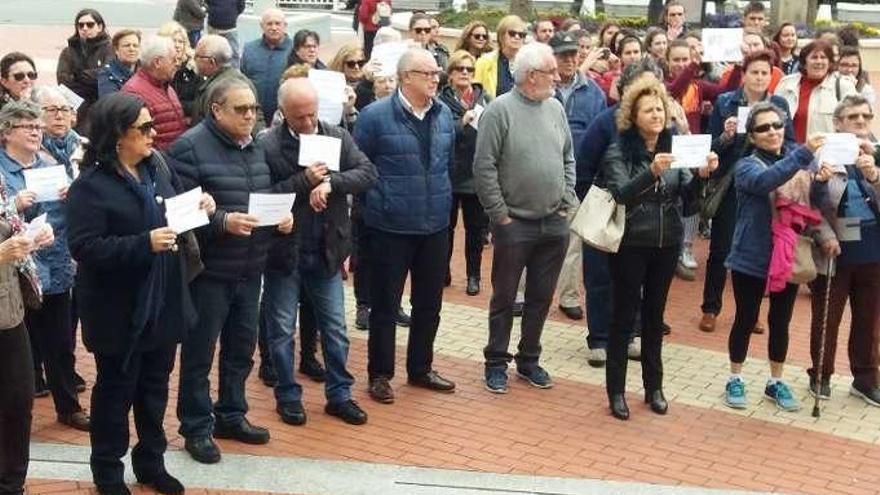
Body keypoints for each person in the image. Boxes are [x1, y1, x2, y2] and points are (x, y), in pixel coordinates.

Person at [67, 92, 211, 495]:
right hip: (118, 309)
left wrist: (201, 206)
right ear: (117, 136)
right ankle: (108, 472)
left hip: (163, 300)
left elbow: (179, 212)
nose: (154, 133)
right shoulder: (91, 187)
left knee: (153, 390)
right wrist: (141, 243)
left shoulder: (158, 168)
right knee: (115, 393)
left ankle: (151, 462)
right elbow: (84, 247)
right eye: (144, 128)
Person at [169, 78, 291, 465]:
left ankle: (231, 414)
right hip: (209, 272)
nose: (250, 116)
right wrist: (222, 222)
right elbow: (179, 210)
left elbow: (264, 191)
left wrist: (281, 215)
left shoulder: (257, 145)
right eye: (241, 110)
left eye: (254, 109)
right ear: (216, 109)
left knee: (241, 349)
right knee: (199, 354)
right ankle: (196, 427)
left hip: (250, 267)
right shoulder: (189, 147)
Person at [259, 78, 377, 426]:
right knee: (281, 329)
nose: (309, 123)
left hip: (326, 249)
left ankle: (340, 394)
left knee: (336, 328)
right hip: (285, 252)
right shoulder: (267, 146)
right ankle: (287, 394)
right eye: (299, 118)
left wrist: (331, 182)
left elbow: (368, 172)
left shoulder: (335, 136)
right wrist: (303, 182)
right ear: (283, 114)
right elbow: (262, 195)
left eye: (312, 114)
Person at [601, 76, 715, 420]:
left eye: (660, 109)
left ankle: (654, 387)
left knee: (654, 316)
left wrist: (702, 176)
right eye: (648, 109)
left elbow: (688, 199)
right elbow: (620, 192)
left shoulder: (675, 146)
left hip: (666, 243)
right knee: (623, 318)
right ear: (632, 115)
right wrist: (651, 171)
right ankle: (616, 391)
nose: (656, 115)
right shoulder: (619, 149)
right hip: (631, 242)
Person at [353, 48, 457, 404]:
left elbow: (447, 165)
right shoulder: (374, 117)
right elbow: (359, 168)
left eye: (437, 72)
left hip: (435, 225)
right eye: (428, 73)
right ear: (406, 77)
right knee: (385, 305)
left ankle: (421, 368)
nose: (436, 78)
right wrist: (376, 208)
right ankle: (380, 374)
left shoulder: (444, 114)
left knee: (430, 304)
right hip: (389, 227)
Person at [474, 42, 575, 394]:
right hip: (514, 223)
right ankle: (495, 362)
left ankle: (529, 359)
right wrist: (500, 215)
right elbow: (483, 168)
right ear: (532, 76)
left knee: (541, 297)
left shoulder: (555, 108)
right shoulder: (499, 111)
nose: (558, 77)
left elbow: (568, 157)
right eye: (551, 72)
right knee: (504, 297)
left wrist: (567, 199)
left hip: (553, 222)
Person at [722, 103, 827, 412]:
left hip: (789, 256)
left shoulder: (800, 163)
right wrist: (804, 153)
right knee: (745, 317)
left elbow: (813, 206)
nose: (772, 132)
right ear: (752, 137)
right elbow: (766, 182)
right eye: (763, 128)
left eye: (777, 125)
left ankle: (775, 382)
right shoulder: (746, 166)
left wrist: (819, 181)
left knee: (780, 321)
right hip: (751, 254)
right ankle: (734, 378)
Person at [0, 100, 88, 432]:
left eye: (39, 127)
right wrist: (13, 204)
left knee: (61, 342)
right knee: (17, 350)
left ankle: (68, 406)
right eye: (30, 127)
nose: (38, 132)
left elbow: (68, 217)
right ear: (8, 132)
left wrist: (71, 194)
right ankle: (16, 418)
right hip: (16, 272)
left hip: (54, 266)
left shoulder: (50, 163)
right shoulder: (1, 171)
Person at [577, 61, 666, 367]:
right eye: (641, 88)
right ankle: (599, 338)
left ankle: (633, 334)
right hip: (608, 209)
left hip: (648, 219)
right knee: (600, 276)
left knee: (637, 279)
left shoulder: (665, 127)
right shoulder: (605, 123)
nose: (649, 98)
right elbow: (583, 168)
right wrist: (593, 204)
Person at [699, 50, 796, 334]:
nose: (759, 77)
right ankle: (710, 308)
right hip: (733, 183)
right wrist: (727, 136)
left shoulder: (778, 104)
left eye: (765, 72)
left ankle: (750, 313)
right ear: (744, 75)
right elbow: (711, 148)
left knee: (761, 247)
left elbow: (789, 142)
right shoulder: (726, 102)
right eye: (754, 72)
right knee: (721, 247)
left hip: (767, 183)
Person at [808, 95, 880, 406]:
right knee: (827, 318)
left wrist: (874, 176)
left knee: (869, 319)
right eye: (853, 117)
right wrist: (824, 235)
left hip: (873, 249)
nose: (861, 121)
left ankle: (865, 379)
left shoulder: (876, 155)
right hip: (835, 248)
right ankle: (821, 375)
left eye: (866, 116)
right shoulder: (822, 155)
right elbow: (809, 204)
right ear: (838, 123)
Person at [0, 149, 54, 495]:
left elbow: (9, 223)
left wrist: (32, 237)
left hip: (8, 310)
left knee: (19, 401)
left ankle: (11, 485)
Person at [548, 32, 607, 321]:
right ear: (552, 57)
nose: (570, 59)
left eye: (573, 54)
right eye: (563, 55)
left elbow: (599, 136)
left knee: (573, 240)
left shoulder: (594, 92)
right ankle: (521, 292)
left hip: (577, 176)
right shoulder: (542, 88)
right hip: (543, 174)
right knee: (533, 237)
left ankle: (568, 295)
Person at [438, 50, 490, 297]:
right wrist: (461, 123)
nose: (466, 74)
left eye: (470, 69)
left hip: (475, 174)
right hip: (449, 174)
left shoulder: (484, 98)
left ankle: (473, 276)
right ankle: (443, 272)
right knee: (445, 228)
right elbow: (439, 134)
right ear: (450, 74)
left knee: (475, 230)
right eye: (460, 69)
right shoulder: (440, 101)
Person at [775, 40, 857, 144]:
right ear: (804, 62)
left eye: (823, 58)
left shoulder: (843, 86)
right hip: (789, 154)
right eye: (814, 57)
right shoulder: (786, 84)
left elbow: (855, 123)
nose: (819, 61)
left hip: (826, 155)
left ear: (830, 62)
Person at [121, 37, 187, 152]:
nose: (177, 64)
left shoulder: (167, 87)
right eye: (173, 60)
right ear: (157, 62)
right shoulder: (134, 93)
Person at [56, 8, 114, 135]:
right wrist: (92, 82)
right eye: (81, 25)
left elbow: (106, 76)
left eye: (90, 24)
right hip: (76, 107)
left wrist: (77, 76)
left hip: (100, 107)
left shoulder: (110, 49)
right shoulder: (69, 52)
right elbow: (63, 81)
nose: (85, 28)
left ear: (99, 26)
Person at [190, 35, 261, 126]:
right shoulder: (246, 82)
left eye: (197, 56)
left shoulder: (215, 90)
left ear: (212, 62)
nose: (194, 60)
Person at [241, 8, 294, 123]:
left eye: (278, 24)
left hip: (284, 117)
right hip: (252, 115)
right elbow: (243, 80)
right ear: (262, 26)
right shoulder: (249, 49)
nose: (273, 28)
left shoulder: (295, 51)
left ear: (285, 25)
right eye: (269, 24)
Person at [474, 15, 527, 98]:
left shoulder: (529, 64)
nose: (517, 37)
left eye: (521, 35)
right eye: (512, 33)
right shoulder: (484, 62)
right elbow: (475, 93)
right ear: (501, 36)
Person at [157, 21, 201, 120]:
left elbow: (201, 102)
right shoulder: (157, 68)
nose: (177, 45)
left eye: (181, 42)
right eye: (173, 41)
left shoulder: (193, 69)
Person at [98, 30, 142, 97]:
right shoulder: (107, 74)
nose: (132, 49)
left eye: (135, 46)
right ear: (116, 50)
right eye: (127, 46)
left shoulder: (147, 70)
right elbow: (111, 103)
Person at [205, 0, 245, 68]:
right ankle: (212, 74)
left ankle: (234, 75)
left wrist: (232, 15)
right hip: (214, 28)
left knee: (234, 55)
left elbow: (241, 6)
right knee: (212, 54)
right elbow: (207, 3)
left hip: (229, 28)